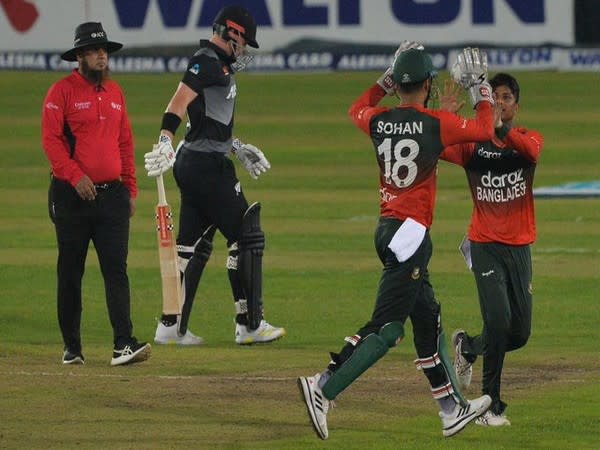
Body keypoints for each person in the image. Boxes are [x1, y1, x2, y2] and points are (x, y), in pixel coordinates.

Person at [297, 44, 498, 440]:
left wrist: (382, 82)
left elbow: (356, 107)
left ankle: (450, 409)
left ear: (398, 84)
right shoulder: (436, 122)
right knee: (388, 329)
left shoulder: (379, 119)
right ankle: (323, 387)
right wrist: (482, 90)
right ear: (426, 84)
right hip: (411, 237)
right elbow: (486, 130)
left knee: (428, 318)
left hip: (388, 229)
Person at [144, 4, 285, 346]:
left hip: (197, 163)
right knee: (246, 236)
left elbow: (206, 120)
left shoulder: (217, 65)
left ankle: (170, 325)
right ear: (232, 32)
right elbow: (178, 103)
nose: (245, 48)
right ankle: (249, 324)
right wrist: (165, 139)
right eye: (244, 41)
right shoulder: (206, 61)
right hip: (206, 168)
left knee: (190, 247)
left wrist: (235, 146)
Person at [42, 22, 151, 366]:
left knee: (116, 269)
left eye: (104, 50)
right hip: (70, 198)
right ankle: (72, 347)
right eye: (94, 50)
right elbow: (51, 142)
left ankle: (123, 344)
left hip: (113, 198)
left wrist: (130, 188)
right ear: (79, 57)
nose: (101, 55)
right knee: (70, 271)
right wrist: (75, 177)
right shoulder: (61, 92)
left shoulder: (116, 93)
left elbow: (125, 142)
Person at [440, 73, 543, 426]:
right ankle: (490, 406)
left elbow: (531, 151)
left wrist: (499, 129)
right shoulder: (473, 146)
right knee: (498, 322)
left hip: (519, 247)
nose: (500, 102)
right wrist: (446, 119)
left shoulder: (527, 139)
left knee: (519, 333)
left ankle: (468, 348)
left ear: (516, 104)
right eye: (494, 97)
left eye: (506, 97)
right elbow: (437, 145)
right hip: (484, 244)